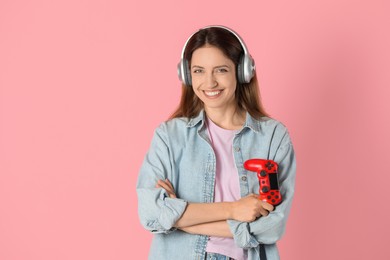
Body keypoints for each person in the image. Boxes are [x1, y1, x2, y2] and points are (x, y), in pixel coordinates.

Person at [136, 25, 296, 260]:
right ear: (187, 75)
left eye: (220, 70)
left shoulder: (273, 137)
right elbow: (151, 213)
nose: (209, 82)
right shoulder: (169, 136)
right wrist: (234, 209)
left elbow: (272, 227)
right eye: (199, 71)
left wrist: (181, 220)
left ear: (241, 72)